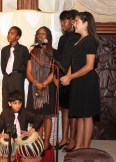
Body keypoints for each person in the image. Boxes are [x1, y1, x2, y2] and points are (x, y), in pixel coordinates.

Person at [60, 11, 100, 150]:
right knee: (81, 114)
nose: (73, 23)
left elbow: (89, 66)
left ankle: (86, 148)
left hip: (87, 81)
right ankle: (79, 147)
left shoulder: (90, 41)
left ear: (86, 23)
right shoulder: (79, 41)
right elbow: (74, 62)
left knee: (87, 115)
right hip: (78, 80)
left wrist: (70, 77)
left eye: (76, 21)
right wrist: (68, 77)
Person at [26, 26, 56, 155]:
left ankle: (46, 142)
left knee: (47, 116)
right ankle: (38, 140)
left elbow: (54, 72)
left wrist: (43, 84)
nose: (40, 35)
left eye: (43, 33)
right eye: (38, 33)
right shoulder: (32, 52)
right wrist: (36, 83)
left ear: (48, 36)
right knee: (37, 116)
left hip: (48, 88)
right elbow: (28, 72)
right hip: (34, 87)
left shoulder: (54, 53)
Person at [53, 10, 80, 152]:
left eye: (65, 21)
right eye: (61, 21)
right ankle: (64, 138)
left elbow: (76, 59)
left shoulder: (78, 37)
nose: (63, 24)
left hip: (73, 77)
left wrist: (69, 75)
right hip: (62, 75)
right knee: (64, 108)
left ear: (72, 21)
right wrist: (55, 75)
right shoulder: (63, 39)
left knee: (73, 109)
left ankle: (73, 139)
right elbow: (58, 57)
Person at [0, 90, 43, 159]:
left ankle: (17, 154)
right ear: (9, 103)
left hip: (22, 143)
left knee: (41, 151)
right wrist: (1, 135)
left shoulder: (25, 112)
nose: (18, 106)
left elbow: (39, 119)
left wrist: (31, 131)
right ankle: (15, 154)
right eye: (15, 103)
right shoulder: (5, 114)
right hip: (10, 144)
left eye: (19, 103)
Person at [1, 26, 29, 110]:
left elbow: (26, 65)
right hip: (7, 77)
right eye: (9, 33)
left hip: (18, 77)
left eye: (12, 33)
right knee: (6, 100)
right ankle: (7, 122)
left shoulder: (23, 49)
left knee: (18, 101)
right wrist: (7, 74)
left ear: (18, 37)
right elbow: (3, 65)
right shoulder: (4, 50)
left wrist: (20, 77)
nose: (9, 35)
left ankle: (19, 122)